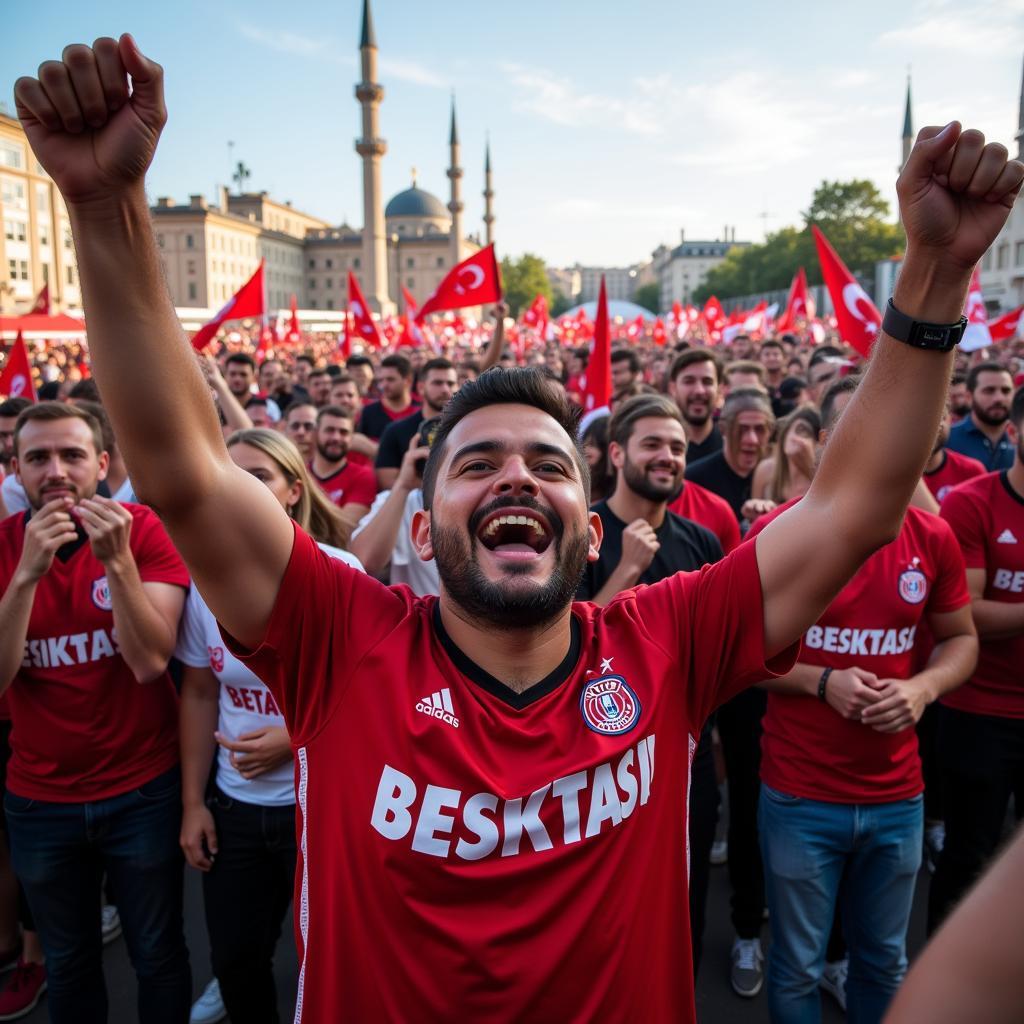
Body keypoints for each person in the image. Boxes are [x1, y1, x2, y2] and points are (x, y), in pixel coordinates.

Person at [16, 39, 1020, 1020]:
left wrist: (933, 275)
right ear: (424, 516)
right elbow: (184, 471)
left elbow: (854, 503)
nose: (515, 478)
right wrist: (106, 210)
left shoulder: (666, 641)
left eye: (548, 464)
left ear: (590, 530)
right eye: (476, 463)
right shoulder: (341, 641)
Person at [748, 375, 977, 1023]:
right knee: (796, 967)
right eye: (855, 429)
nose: (876, 446)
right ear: (822, 444)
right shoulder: (777, 537)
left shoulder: (930, 537)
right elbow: (736, 661)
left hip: (897, 798)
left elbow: (960, 640)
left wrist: (922, 687)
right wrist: (822, 681)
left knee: (884, 961)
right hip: (799, 795)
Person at [0, 402, 190, 1022]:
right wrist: (26, 576)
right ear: (16, 469)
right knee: (67, 959)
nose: (56, 471)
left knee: (157, 953)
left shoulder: (143, 530)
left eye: (72, 455)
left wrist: (118, 562)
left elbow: (148, 663)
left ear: (102, 464)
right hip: (40, 799)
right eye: (38, 458)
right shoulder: (5, 548)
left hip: (142, 790)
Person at [179, 429, 360, 1024]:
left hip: (319, 805)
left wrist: (294, 738)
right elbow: (201, 691)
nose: (240, 491)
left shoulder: (341, 571)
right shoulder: (204, 580)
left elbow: (371, 691)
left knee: (332, 956)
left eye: (258, 477)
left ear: (292, 493)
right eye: (231, 477)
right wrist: (193, 805)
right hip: (234, 805)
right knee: (235, 956)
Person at [574, 395, 723, 975]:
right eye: (654, 445)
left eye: (679, 447)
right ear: (617, 453)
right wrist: (627, 569)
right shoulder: (578, 532)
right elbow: (559, 652)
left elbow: (714, 649)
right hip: (599, 761)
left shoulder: (702, 543)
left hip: (684, 756)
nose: (668, 458)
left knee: (682, 907)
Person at [927, 384, 1024, 933]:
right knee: (970, 858)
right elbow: (969, 614)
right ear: (1012, 434)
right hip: (980, 712)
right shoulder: (971, 502)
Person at [685, 387, 775, 523]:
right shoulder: (693, 480)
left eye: (760, 429)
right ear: (722, 429)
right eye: (742, 429)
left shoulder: (781, 477)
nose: (752, 439)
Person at [374, 358, 458, 490]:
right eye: (437, 383)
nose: (445, 389)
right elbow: (387, 483)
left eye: (451, 383)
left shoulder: (469, 429)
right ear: (421, 387)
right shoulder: (395, 431)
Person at [944, 361, 1015, 470]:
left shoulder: (1020, 439)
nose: (999, 398)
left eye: (1006, 391)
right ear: (969, 397)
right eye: (989, 391)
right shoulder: (947, 440)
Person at [751, 406, 820, 505]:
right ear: (785, 435)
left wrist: (809, 465)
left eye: (805, 432)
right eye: (797, 430)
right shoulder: (766, 470)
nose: (797, 438)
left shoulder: (821, 479)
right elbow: (756, 518)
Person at [667, 348, 723, 464]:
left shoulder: (731, 449)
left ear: (719, 390)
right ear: (673, 388)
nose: (699, 390)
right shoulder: (660, 452)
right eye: (689, 381)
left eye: (707, 382)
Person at [922, 408, 986, 506]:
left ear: (949, 420)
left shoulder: (971, 471)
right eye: (923, 420)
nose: (931, 427)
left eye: (940, 418)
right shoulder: (893, 473)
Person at [358, 355, 418, 440]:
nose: (384, 385)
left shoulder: (420, 410)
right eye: (381, 380)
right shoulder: (368, 412)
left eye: (391, 379)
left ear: (408, 380)